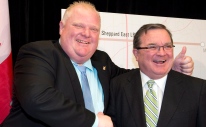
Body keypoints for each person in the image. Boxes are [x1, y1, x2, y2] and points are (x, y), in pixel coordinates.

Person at [2, 1, 194, 127]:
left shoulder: (102, 61)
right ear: (61, 27)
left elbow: (131, 77)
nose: (86, 33)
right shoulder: (39, 53)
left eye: (93, 29)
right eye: (79, 25)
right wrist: (93, 121)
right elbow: (38, 98)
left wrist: (166, 69)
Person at [105, 23, 206, 127]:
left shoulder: (197, 89)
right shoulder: (118, 86)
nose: (162, 53)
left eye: (167, 46)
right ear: (136, 54)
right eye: (153, 47)